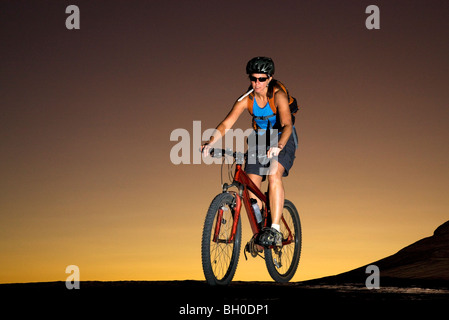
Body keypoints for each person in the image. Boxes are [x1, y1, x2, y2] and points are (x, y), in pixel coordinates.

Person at [201, 56, 298, 247]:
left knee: (272, 174)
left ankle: (275, 230)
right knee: (250, 188)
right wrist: (210, 142)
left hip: (283, 137)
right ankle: (261, 231)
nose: (257, 83)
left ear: (269, 78)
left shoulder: (278, 95)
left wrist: (278, 146)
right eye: (253, 79)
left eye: (261, 79)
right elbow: (227, 123)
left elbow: (287, 125)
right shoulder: (247, 99)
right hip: (260, 139)